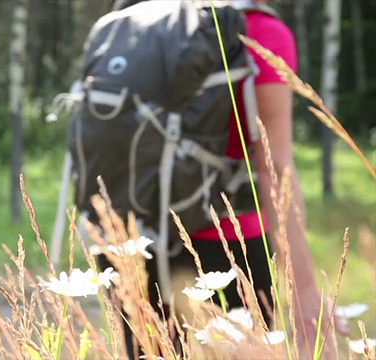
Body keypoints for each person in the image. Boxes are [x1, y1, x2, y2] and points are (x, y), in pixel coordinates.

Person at [97, 0, 349, 358]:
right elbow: (274, 167)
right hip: (230, 248)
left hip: (130, 241)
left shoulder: (133, 22)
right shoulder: (260, 32)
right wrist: (304, 289)